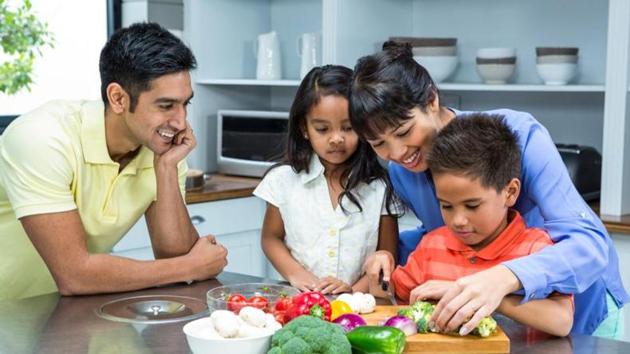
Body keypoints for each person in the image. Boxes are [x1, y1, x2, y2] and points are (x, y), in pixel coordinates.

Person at [351, 41, 628, 337]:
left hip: (575, 309)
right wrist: (387, 250)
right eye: (378, 144)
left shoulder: (518, 136)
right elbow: (439, 233)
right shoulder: (402, 172)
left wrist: (505, 277)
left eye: (404, 132)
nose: (397, 153)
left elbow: (589, 244)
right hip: (505, 323)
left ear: (431, 100)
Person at [0, 22, 227, 300]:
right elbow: (74, 274)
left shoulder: (160, 148)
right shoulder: (41, 137)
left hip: (60, 310)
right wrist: (190, 266)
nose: (181, 122)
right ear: (118, 98)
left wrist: (166, 170)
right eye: (166, 106)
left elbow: (175, 257)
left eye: (185, 104)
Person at [368, 114, 574, 337]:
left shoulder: (536, 249)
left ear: (510, 192)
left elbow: (561, 321)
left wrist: (491, 297)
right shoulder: (432, 246)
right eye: (446, 206)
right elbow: (391, 305)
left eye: (472, 205)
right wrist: (380, 276)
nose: (458, 220)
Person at [253, 65, 399, 294]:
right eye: (322, 129)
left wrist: (350, 292)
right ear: (304, 127)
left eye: (348, 127)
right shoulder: (282, 180)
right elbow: (271, 239)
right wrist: (300, 276)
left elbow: (388, 259)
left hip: (358, 305)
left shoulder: (380, 188)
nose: (336, 139)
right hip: (299, 300)